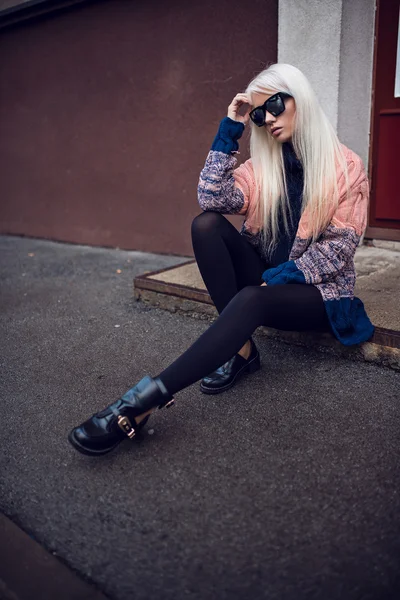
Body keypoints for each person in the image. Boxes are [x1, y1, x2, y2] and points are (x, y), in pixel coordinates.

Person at [68, 63, 374, 456]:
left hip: (317, 294)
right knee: (206, 225)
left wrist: (278, 278)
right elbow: (212, 199)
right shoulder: (265, 166)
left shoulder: (346, 168)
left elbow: (336, 250)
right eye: (260, 114)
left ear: (301, 99)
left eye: (276, 105)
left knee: (252, 298)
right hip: (268, 283)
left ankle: (140, 403)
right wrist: (232, 126)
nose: (268, 119)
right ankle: (242, 350)